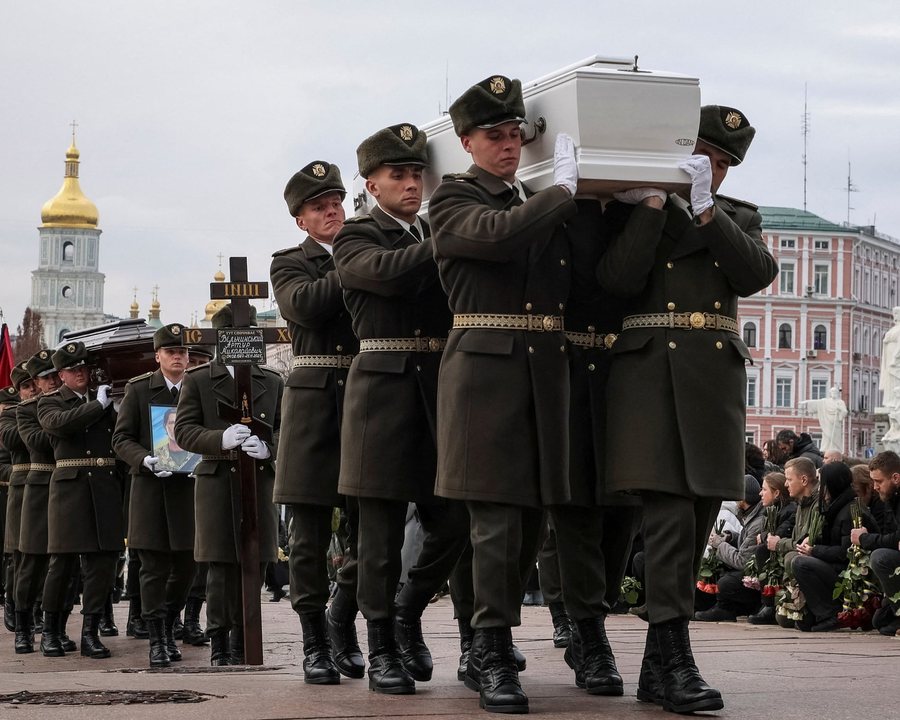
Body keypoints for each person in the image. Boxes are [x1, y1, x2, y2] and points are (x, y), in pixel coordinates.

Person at [599, 104, 776, 714]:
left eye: (724, 163)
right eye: (703, 155)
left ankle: (657, 666)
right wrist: (653, 206)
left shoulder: (735, 217)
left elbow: (755, 273)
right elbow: (616, 280)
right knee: (671, 514)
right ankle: (674, 656)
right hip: (650, 376)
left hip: (711, 381)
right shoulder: (630, 207)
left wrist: (703, 209)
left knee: (698, 513)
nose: (714, 169)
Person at [428, 73, 578, 714]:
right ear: (466, 141)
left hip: (543, 371)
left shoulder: (534, 198)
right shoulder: (453, 199)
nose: (509, 143)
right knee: (494, 521)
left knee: (534, 518)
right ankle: (488, 646)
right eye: (495, 134)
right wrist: (564, 191)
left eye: (516, 133)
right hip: (484, 376)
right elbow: (498, 235)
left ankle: (488, 636)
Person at [332, 123, 469, 695]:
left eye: (417, 174)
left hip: (439, 390)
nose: (412, 184)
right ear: (371, 183)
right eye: (399, 175)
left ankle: (407, 610)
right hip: (382, 393)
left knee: (453, 520)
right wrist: (453, 238)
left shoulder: (434, 228)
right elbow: (385, 274)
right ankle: (379, 639)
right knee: (380, 534)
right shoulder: (354, 236)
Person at [270, 160, 361, 684]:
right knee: (306, 532)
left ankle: (341, 618)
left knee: (367, 525)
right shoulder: (290, 263)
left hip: (366, 398)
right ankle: (312, 640)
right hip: (311, 402)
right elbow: (304, 306)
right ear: (300, 220)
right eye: (319, 208)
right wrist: (355, 260)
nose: (332, 212)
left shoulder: (364, 250)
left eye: (336, 204)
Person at [174, 304, 282, 666]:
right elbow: (184, 430)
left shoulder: (272, 380)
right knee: (220, 565)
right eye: (237, 336)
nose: (245, 342)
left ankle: (245, 637)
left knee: (258, 560)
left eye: (250, 334)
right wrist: (220, 439)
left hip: (259, 481)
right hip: (217, 479)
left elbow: (287, 430)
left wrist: (268, 447)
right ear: (222, 340)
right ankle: (220, 637)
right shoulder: (201, 379)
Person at [112, 323, 197, 668]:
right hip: (150, 488)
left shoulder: (198, 387)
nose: (178, 357)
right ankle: (158, 638)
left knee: (187, 566)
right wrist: (144, 459)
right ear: (158, 355)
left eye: (182, 352)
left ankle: (169, 618)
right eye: (171, 352)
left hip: (188, 489)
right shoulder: (139, 390)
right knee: (152, 567)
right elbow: (121, 439)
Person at [37, 341, 124, 659]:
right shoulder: (50, 403)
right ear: (61, 374)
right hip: (70, 492)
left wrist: (111, 407)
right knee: (62, 565)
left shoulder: (104, 401)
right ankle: (52, 631)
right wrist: (97, 407)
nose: (81, 374)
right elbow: (60, 425)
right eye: (74, 370)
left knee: (102, 565)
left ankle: (90, 633)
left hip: (103, 489)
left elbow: (121, 436)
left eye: (84, 368)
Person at [15, 351, 70, 656]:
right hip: (39, 488)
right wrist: (65, 426)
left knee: (63, 564)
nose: (51, 381)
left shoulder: (68, 405)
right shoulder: (26, 410)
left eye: (54, 375)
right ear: (34, 382)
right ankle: (23, 629)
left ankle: (56, 628)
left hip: (66, 490)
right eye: (45, 377)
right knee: (31, 563)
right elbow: (36, 441)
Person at [792, 462, 875, 632]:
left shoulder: (851, 510)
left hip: (848, 572)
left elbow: (845, 552)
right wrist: (811, 540)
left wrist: (814, 550)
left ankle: (830, 613)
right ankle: (819, 612)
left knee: (801, 563)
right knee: (804, 623)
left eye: (823, 483)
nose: (820, 488)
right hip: (837, 567)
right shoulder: (837, 506)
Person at [1, 362, 37, 652]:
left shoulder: (49, 410)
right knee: (19, 558)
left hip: (45, 492)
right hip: (20, 490)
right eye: (27, 387)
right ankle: (15, 607)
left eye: (34, 384)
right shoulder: (12, 416)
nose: (33, 390)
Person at [694, 476, 765, 622]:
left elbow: (742, 561)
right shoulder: (751, 513)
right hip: (749, 567)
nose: (762, 493)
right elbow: (744, 541)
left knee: (726, 581)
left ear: (742, 499)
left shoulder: (757, 521)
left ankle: (727, 609)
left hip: (754, 575)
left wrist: (719, 544)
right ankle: (720, 606)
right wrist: (730, 536)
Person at [851, 451, 900, 636]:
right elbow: (892, 536)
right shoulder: (890, 497)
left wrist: (864, 539)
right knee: (880, 622)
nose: (876, 487)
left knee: (880, 557)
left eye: (879, 482)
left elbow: (895, 538)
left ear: (895, 477)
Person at [747, 471, 795, 625]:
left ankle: (769, 604)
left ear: (776, 493)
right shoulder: (771, 510)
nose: (761, 493)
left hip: (784, 553)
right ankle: (766, 603)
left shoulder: (789, 510)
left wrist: (765, 536)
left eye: (765, 489)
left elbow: (781, 532)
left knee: (762, 550)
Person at [799, 387, 848, 454]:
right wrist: (807, 402)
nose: (834, 394)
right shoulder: (825, 401)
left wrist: (839, 408)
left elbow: (844, 411)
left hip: (836, 423)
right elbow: (817, 402)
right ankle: (825, 450)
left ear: (837, 393)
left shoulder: (840, 402)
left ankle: (836, 450)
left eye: (835, 392)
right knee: (826, 436)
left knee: (835, 438)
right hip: (827, 422)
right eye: (832, 392)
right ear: (830, 393)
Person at [879, 307, 900, 408]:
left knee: (895, 378)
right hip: (889, 356)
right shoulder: (893, 329)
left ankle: (895, 401)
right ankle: (890, 400)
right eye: (894, 313)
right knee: (889, 379)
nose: (895, 315)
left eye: (897, 313)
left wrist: (895, 358)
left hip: (895, 359)